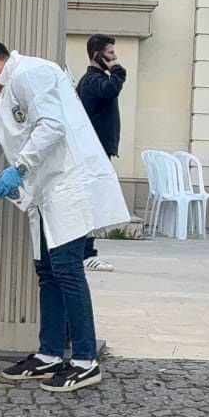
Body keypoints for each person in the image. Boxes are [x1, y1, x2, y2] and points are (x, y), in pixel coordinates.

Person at [0, 39, 129, 393]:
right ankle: (48, 354)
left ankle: (85, 361)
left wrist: (19, 168)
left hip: (68, 186)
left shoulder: (33, 73)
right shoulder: (5, 99)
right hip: (46, 195)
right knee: (47, 272)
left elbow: (53, 126)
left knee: (67, 270)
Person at [75, 34, 127, 273]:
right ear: (97, 55)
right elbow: (110, 90)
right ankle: (87, 253)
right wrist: (118, 71)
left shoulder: (95, 79)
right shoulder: (92, 80)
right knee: (90, 202)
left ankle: (86, 251)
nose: (115, 58)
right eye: (110, 54)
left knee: (92, 200)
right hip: (91, 153)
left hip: (97, 151)